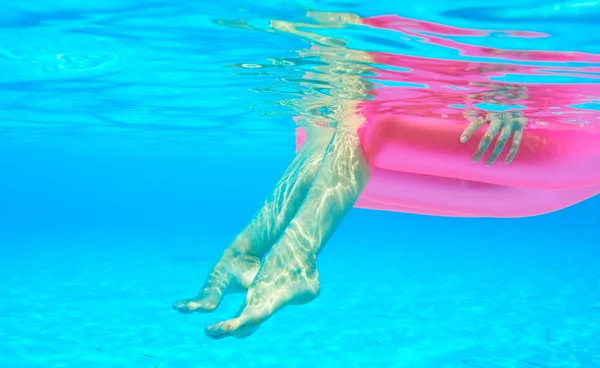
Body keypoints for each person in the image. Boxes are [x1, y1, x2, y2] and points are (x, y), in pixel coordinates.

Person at [172, 12, 528, 339]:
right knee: (329, 135)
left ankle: (294, 261)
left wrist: (506, 85)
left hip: (443, 59)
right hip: (394, 51)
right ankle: (245, 254)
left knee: (363, 124)